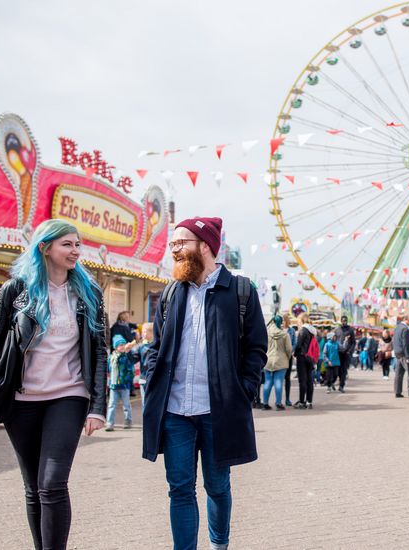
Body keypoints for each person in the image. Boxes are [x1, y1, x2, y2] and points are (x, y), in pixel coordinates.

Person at [0, 219, 107, 550]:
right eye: (67, 244)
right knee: (33, 486)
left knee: (53, 483)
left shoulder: (89, 292)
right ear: (45, 248)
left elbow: (100, 351)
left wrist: (98, 407)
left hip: (69, 396)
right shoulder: (16, 290)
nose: (75, 251)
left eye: (77, 244)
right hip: (21, 399)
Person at [142, 216, 267, 550]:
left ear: (206, 246)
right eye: (172, 244)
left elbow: (256, 348)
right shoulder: (170, 294)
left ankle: (219, 544)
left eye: (181, 243)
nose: (174, 250)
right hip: (175, 411)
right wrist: (153, 376)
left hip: (219, 412)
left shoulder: (239, 291)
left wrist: (243, 390)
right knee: (180, 489)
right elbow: (155, 348)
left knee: (217, 485)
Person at [106, 335, 135, 431]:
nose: (122, 346)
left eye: (124, 344)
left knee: (126, 405)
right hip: (114, 386)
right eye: (120, 345)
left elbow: (131, 370)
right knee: (111, 405)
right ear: (116, 347)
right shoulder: (111, 357)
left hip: (124, 385)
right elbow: (108, 369)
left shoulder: (125, 357)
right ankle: (110, 423)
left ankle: (128, 421)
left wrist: (127, 379)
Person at [264, 315, 292, 410]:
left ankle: (265, 403)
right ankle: (278, 403)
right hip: (281, 360)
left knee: (267, 381)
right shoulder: (284, 334)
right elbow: (289, 349)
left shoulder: (267, 333)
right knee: (278, 382)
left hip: (268, 360)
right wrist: (287, 358)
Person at [292, 313, 317, 409]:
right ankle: (309, 402)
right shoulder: (312, 331)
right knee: (309, 380)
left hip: (302, 357)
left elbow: (299, 345)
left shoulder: (303, 330)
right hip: (310, 358)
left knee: (302, 380)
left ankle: (302, 402)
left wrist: (294, 353)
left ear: (301, 320)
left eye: (298, 320)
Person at [134, 322, 154, 409]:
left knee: (154, 402)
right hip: (144, 378)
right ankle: (146, 422)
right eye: (142, 331)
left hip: (155, 379)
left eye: (145, 331)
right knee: (144, 403)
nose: (142, 334)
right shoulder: (141, 346)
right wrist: (127, 352)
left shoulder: (157, 345)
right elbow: (134, 359)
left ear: (152, 332)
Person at [334, 316, 355, 392]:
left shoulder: (350, 330)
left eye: (345, 320)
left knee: (344, 370)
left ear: (347, 321)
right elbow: (333, 340)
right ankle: (336, 382)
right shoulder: (337, 329)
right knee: (337, 370)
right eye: (342, 320)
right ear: (340, 321)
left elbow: (353, 342)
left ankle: (341, 386)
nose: (344, 322)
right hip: (338, 353)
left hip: (346, 353)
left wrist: (350, 351)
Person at [284, 315, 296, 407]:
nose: (283, 322)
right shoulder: (277, 330)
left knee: (287, 378)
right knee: (278, 379)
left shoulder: (291, 331)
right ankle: (278, 399)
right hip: (279, 357)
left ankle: (287, 399)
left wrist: (290, 351)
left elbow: (294, 343)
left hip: (288, 357)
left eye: (284, 321)